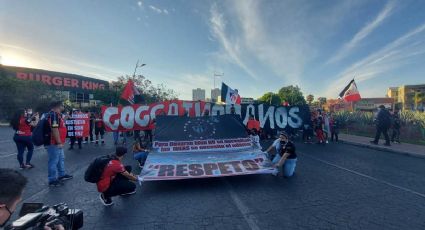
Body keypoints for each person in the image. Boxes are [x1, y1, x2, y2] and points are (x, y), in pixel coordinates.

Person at [46, 101, 73, 187]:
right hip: (54, 143)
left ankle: (62, 175)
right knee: (53, 161)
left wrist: (65, 118)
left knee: (60, 159)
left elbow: (60, 126)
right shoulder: (53, 115)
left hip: (57, 142)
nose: (63, 107)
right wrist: (58, 142)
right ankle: (52, 180)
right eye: (63, 105)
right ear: (58, 106)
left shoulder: (57, 115)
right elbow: (54, 129)